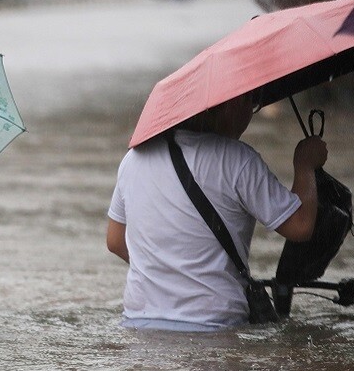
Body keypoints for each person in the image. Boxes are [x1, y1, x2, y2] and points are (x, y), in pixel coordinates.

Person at [106, 90, 328, 331]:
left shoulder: (133, 159)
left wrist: (168, 271)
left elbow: (115, 241)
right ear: (233, 103)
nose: (249, 114)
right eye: (250, 103)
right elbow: (300, 225)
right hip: (213, 325)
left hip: (139, 324)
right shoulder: (238, 160)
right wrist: (305, 165)